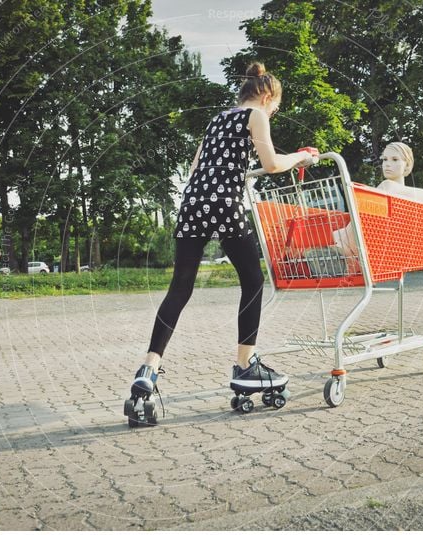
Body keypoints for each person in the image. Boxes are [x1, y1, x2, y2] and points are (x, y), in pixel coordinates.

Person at [123, 62, 317, 426]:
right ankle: (246, 364)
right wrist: (303, 157)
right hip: (225, 204)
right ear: (267, 94)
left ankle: (148, 369)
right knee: (254, 281)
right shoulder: (256, 114)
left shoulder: (216, 119)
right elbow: (272, 164)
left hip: (192, 202)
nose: (274, 111)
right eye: (276, 104)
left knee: (180, 288)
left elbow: (196, 167)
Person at [331, 142, 423, 267]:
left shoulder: (403, 198)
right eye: (385, 159)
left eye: (394, 159)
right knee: (387, 187)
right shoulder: (386, 189)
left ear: (407, 165)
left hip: (356, 252)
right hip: (337, 245)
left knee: (389, 188)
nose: (387, 164)